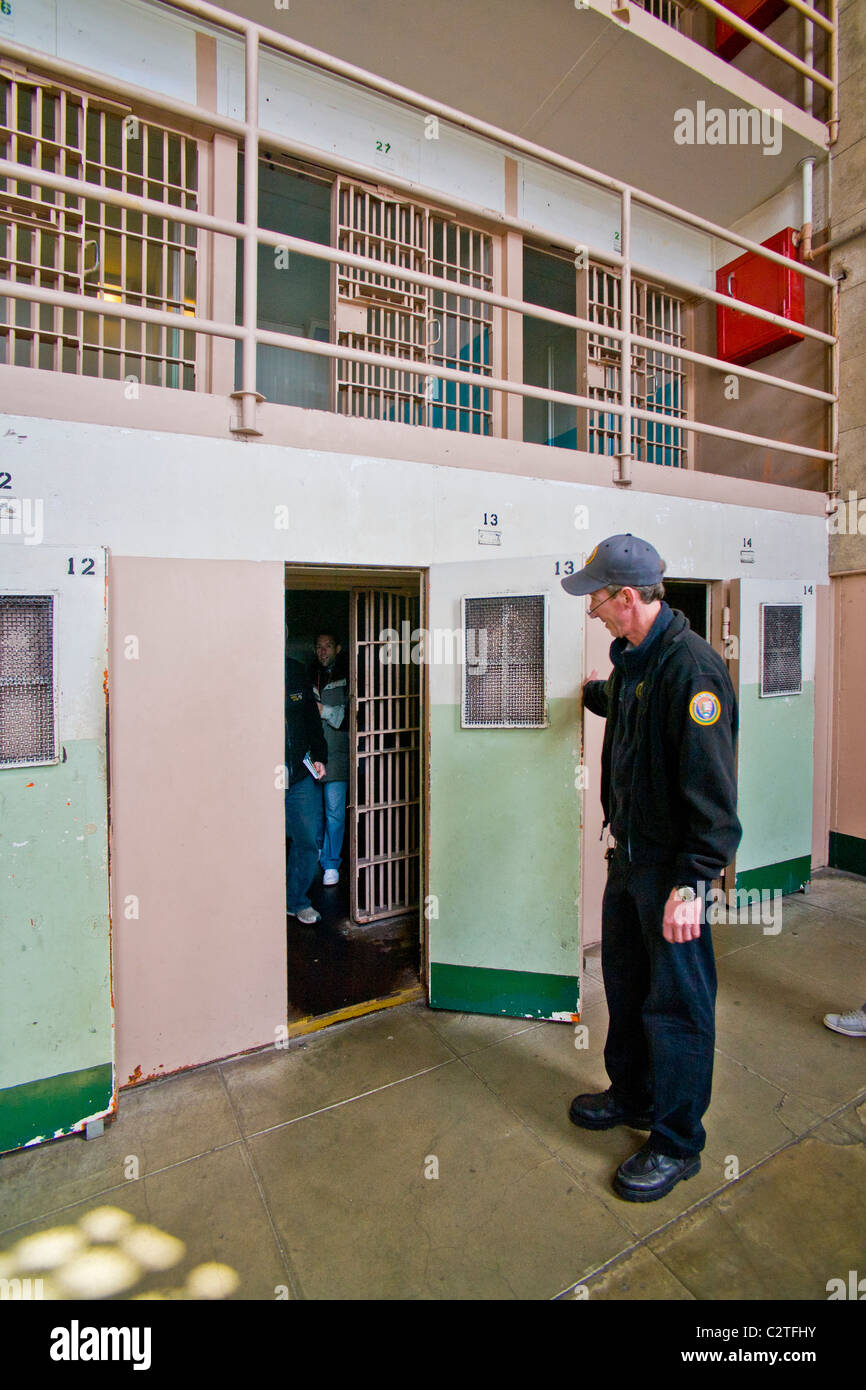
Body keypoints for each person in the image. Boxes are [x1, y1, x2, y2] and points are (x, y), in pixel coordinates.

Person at [562, 533, 742, 1201]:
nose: (595, 614)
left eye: (597, 603)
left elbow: (715, 798)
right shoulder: (639, 666)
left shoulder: (693, 674)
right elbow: (635, 712)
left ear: (628, 597)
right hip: (630, 858)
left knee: (678, 1006)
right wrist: (595, 695)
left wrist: (694, 883)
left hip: (673, 873)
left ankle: (675, 1142)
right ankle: (633, 1096)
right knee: (629, 987)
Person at [285, 655, 327, 925]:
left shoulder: (295, 670)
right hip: (254, 775)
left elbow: (312, 717)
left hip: (298, 770)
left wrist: (320, 755)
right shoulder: (243, 664)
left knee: (307, 839)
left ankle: (296, 901)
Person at [310, 632, 349, 887]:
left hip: (337, 755)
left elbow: (352, 716)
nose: (323, 651)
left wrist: (322, 711)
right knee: (313, 813)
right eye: (319, 647)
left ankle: (331, 864)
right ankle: (319, 854)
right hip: (312, 756)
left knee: (334, 812)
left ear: (338, 648)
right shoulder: (310, 676)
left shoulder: (350, 676)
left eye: (327, 646)